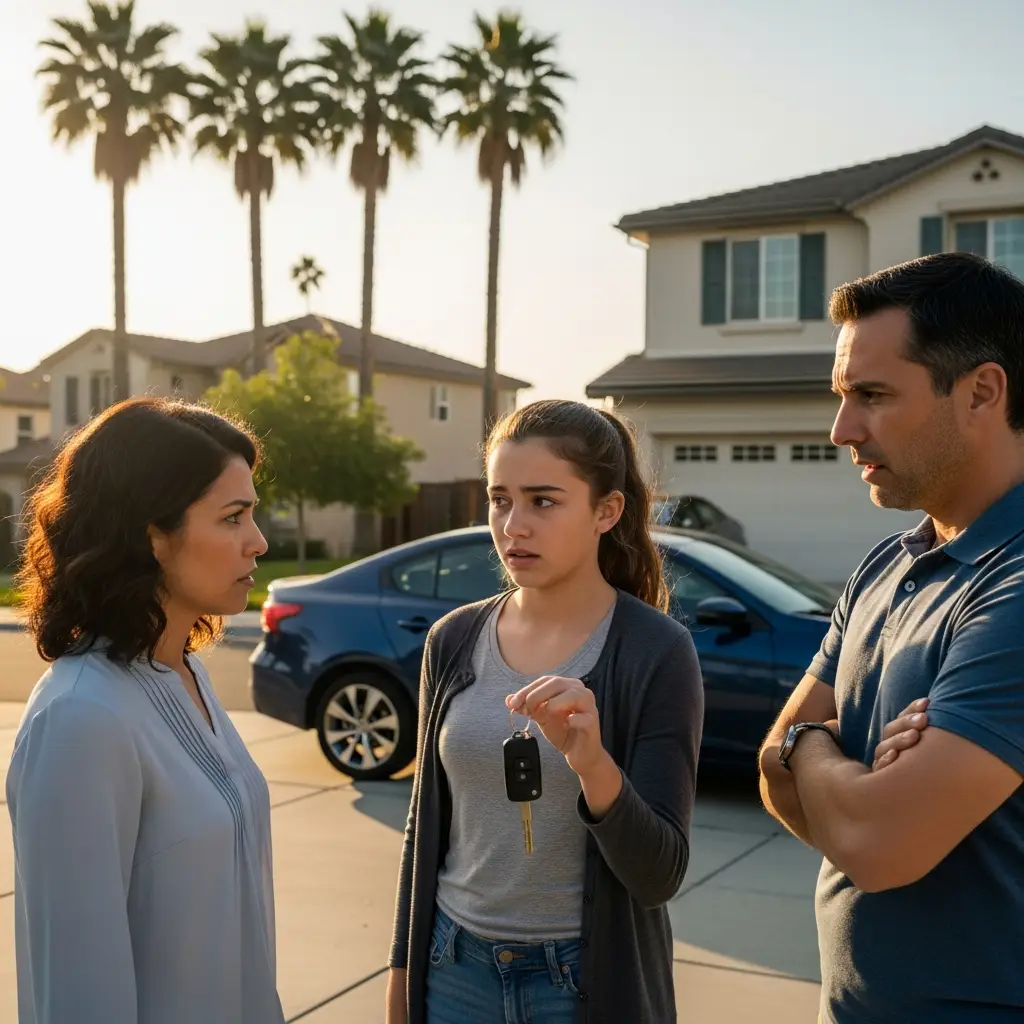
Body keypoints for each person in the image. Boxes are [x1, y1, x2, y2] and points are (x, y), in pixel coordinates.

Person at [758, 252, 1024, 1023]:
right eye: (843, 396)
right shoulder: (886, 565)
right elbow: (774, 783)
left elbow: (879, 845)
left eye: (871, 395)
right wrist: (835, 761)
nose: (842, 430)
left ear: (981, 391)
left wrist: (809, 745)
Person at [386, 399, 704, 1024]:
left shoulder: (657, 651)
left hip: (581, 981)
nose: (513, 526)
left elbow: (659, 874)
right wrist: (403, 973)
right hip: (453, 970)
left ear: (606, 511)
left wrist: (592, 764)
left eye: (544, 501)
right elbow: (424, 826)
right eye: (499, 499)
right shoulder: (452, 640)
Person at [7, 397, 283, 1024]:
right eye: (233, 518)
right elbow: (76, 992)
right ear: (152, 535)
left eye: (253, 515)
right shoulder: (81, 719)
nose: (258, 542)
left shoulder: (186, 675)